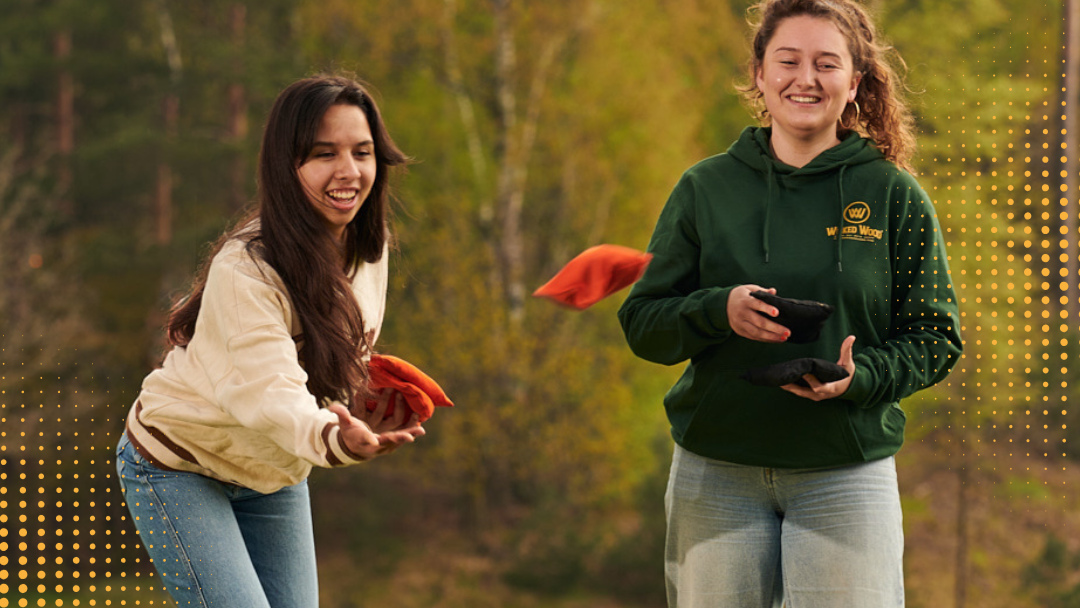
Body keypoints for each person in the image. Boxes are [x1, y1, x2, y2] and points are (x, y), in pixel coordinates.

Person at [617, 1, 963, 606]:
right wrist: (718, 310)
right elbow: (644, 324)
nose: (806, 79)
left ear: (854, 82)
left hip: (845, 473)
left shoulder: (892, 194)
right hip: (717, 472)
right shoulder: (705, 189)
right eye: (788, 61)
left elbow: (937, 336)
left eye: (826, 64)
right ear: (759, 73)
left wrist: (861, 377)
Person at [115, 74, 426, 607]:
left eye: (362, 152)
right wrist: (334, 440)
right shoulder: (247, 269)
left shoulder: (368, 250)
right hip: (181, 462)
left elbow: (329, 355)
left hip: (272, 467)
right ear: (287, 166)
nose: (349, 171)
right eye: (324, 154)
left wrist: (359, 397)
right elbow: (271, 393)